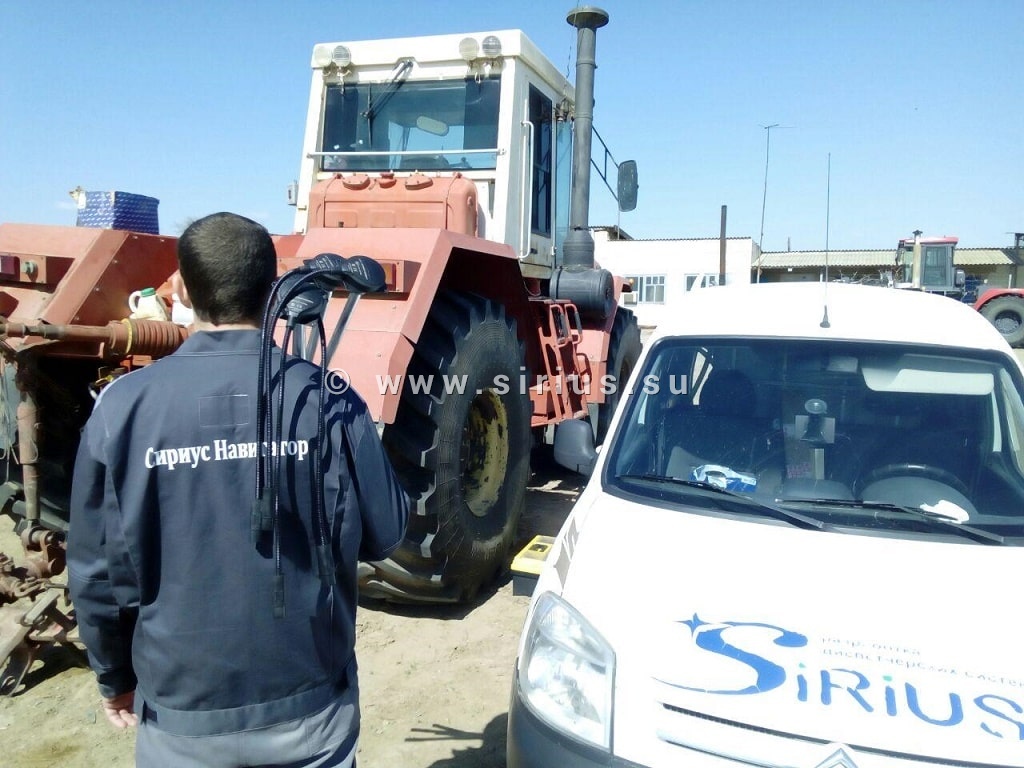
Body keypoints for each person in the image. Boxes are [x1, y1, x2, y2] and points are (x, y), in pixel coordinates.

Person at [68, 211, 410, 767]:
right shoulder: (330, 399)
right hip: (310, 713)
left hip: (181, 722)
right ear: (271, 289)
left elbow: (96, 575)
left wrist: (114, 678)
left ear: (182, 291)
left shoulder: (120, 409)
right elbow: (387, 532)